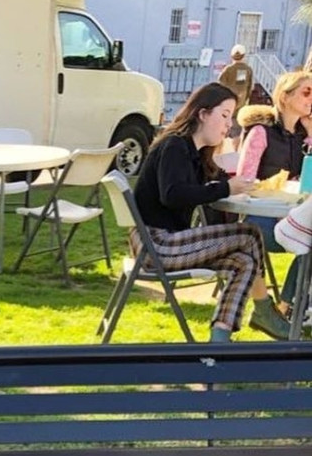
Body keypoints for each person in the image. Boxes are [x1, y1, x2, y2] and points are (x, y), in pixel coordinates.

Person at [133, 82, 290, 342]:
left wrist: (229, 184)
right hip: (156, 245)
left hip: (169, 243)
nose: (229, 125)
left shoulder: (196, 153)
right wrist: (225, 188)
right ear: (203, 114)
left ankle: (220, 338)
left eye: (231, 118)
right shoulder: (174, 146)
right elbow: (172, 195)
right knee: (249, 233)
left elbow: (213, 184)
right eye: (225, 115)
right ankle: (265, 311)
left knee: (244, 262)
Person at [236, 71, 312, 319]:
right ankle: (290, 309)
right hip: (259, 222)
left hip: (293, 219)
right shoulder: (261, 132)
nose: (311, 98)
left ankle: (286, 308)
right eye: (307, 92)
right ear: (285, 96)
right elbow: (244, 181)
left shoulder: (303, 137)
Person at [218, 44, 254, 145]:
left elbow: (220, 85)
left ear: (232, 56)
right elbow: (248, 88)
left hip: (226, 107)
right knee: (237, 134)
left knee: (222, 134)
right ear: (244, 55)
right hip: (240, 107)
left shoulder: (228, 69)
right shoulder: (247, 70)